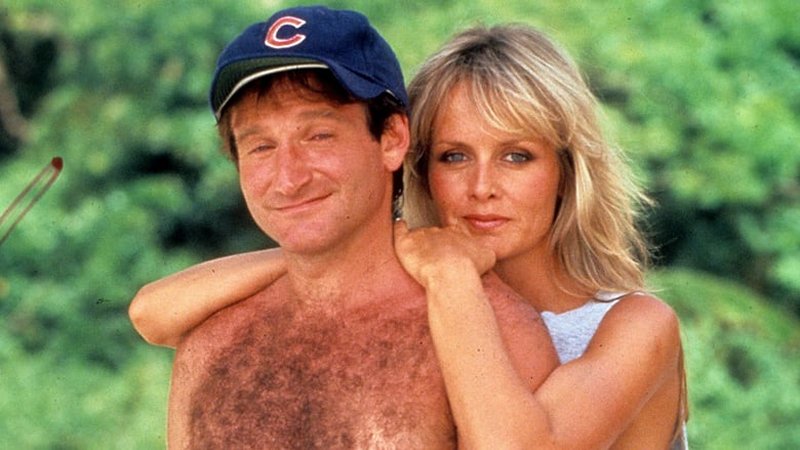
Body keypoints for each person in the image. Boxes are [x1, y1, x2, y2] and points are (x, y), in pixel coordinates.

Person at [131, 18, 688, 450]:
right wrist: (325, 251)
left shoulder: (635, 325)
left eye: (517, 156)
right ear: (421, 165)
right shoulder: (427, 289)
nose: (482, 188)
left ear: (566, 170)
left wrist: (450, 274)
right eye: (454, 157)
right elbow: (153, 312)